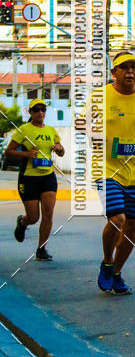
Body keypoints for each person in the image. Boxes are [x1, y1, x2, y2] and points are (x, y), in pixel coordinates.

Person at [88, 52, 135, 294]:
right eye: (124, 67)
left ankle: (117, 272)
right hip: (107, 170)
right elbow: (83, 125)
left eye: (134, 67)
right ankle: (107, 262)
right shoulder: (99, 96)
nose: (130, 71)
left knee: (131, 227)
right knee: (117, 219)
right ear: (114, 72)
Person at [7, 99, 65, 260]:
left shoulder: (51, 130)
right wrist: (26, 154)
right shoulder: (24, 130)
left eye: (43, 109)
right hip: (29, 178)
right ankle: (22, 222)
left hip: (47, 176)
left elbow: (61, 152)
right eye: (36, 110)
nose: (40, 113)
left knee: (48, 213)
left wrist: (59, 148)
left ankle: (41, 249)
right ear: (30, 112)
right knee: (33, 217)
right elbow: (8, 152)